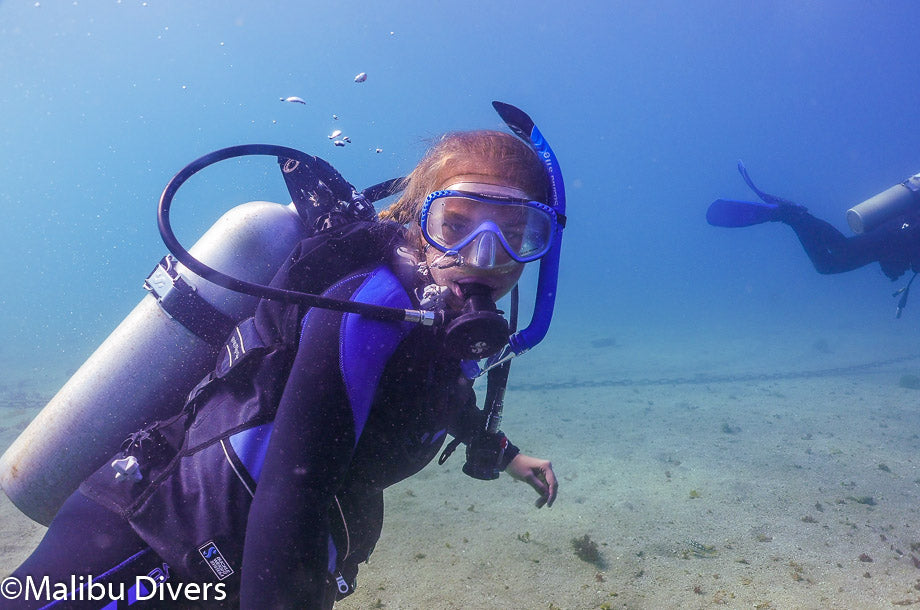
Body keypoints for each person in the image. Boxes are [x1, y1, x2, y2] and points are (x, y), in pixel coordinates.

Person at [9, 114, 564, 608]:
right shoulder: (366, 311)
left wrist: (502, 451)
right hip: (150, 541)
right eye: (458, 225)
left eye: (518, 236)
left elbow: (438, 392)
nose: (484, 258)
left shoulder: (437, 318)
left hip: (244, 560)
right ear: (422, 223)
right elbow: (294, 491)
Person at [707, 162, 920, 315]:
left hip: (896, 235)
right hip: (900, 234)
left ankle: (789, 216)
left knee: (826, 266)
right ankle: (789, 213)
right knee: (841, 248)